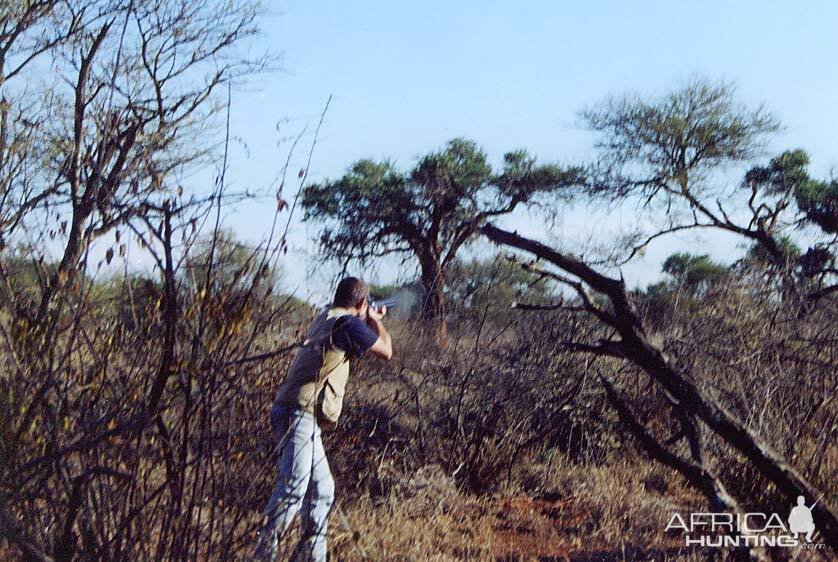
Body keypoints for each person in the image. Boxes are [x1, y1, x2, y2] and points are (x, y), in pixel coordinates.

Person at [253, 277, 393, 562]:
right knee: (294, 489)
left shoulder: (327, 317)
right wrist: (376, 321)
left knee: (322, 491)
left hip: (296, 412)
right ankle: (262, 556)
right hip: (298, 413)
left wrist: (365, 316)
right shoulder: (348, 323)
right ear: (362, 303)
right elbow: (386, 351)